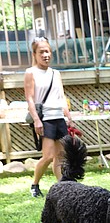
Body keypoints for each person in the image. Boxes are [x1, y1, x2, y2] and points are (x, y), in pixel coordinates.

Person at [24, 37, 74, 198]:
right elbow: (30, 98)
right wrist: (37, 120)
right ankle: (35, 184)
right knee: (48, 156)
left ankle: (62, 186)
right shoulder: (30, 73)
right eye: (41, 52)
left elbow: (61, 96)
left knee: (61, 155)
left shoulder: (55, 73)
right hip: (45, 118)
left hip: (58, 117)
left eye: (48, 51)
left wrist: (68, 116)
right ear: (34, 54)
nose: (46, 55)